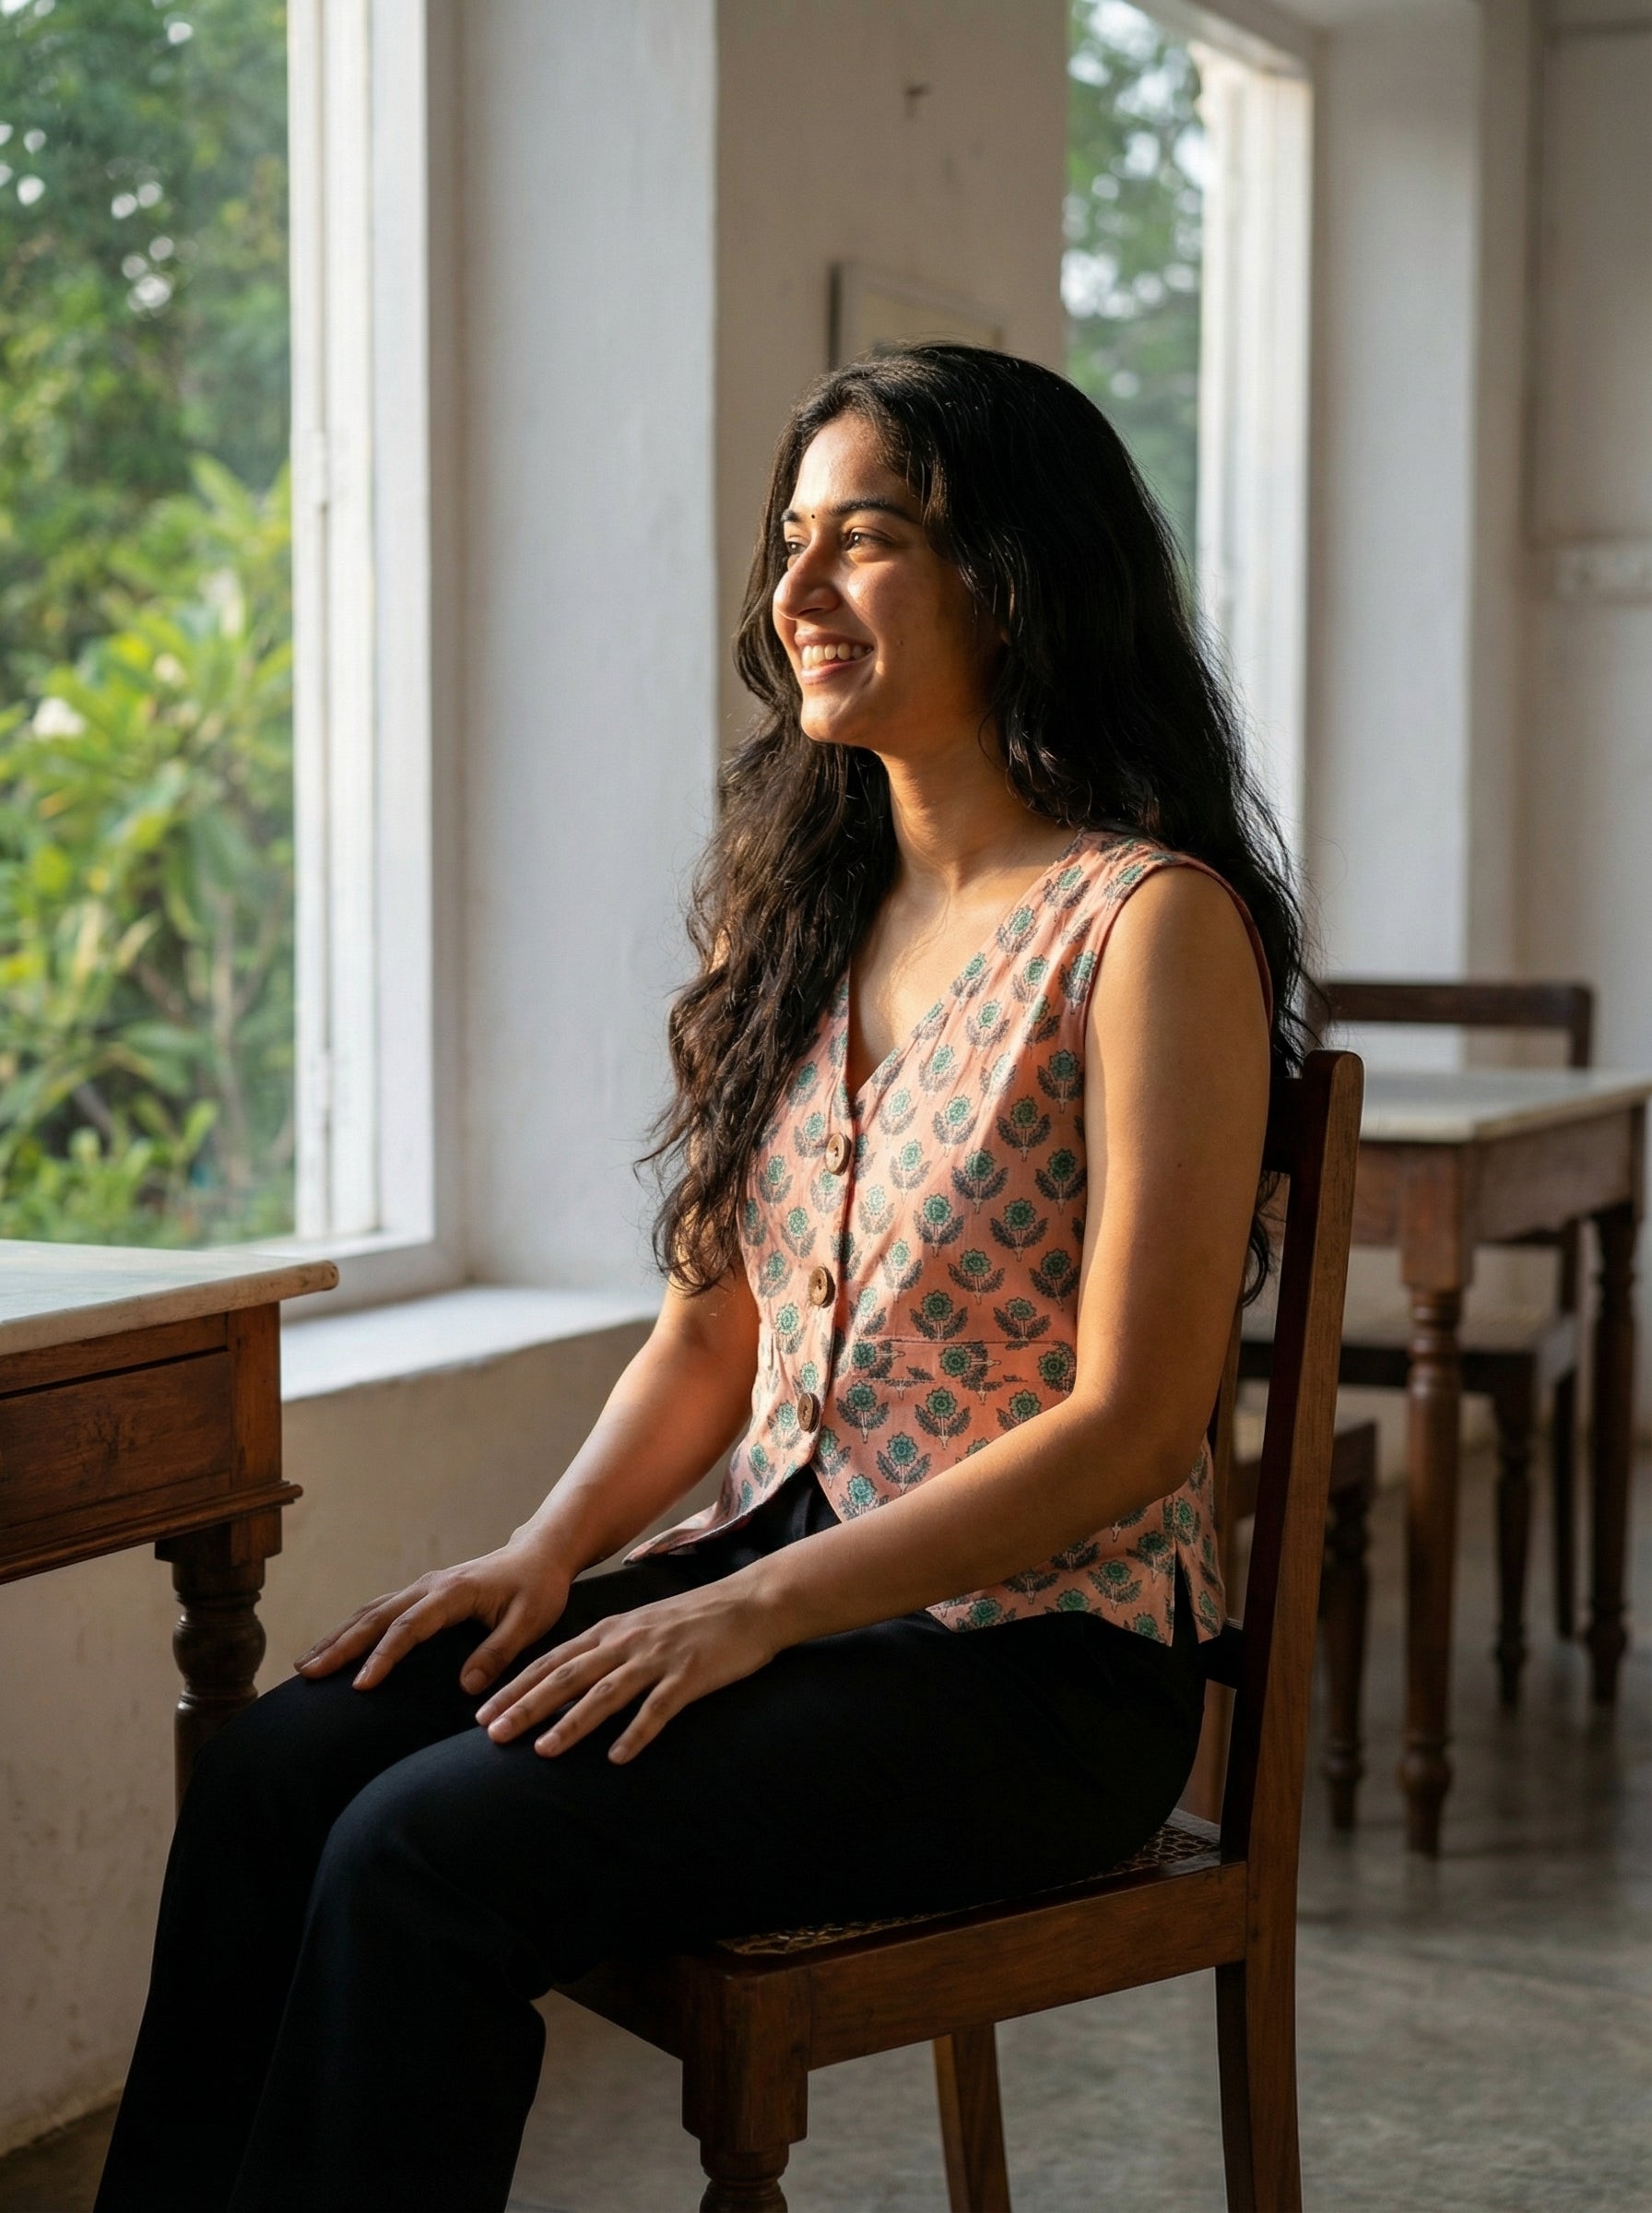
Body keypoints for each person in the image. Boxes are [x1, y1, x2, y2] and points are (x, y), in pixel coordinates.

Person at [94, 343, 1301, 2213]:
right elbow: (709, 1331)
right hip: (782, 1590)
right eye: (789, 544)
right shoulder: (798, 911)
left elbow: (1134, 1429)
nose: (796, 596)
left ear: (1017, 575)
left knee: (427, 1852)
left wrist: (757, 1615)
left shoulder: (1145, 929)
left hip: (1032, 1673)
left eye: (867, 542)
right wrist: (550, 1553)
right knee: (279, 1771)